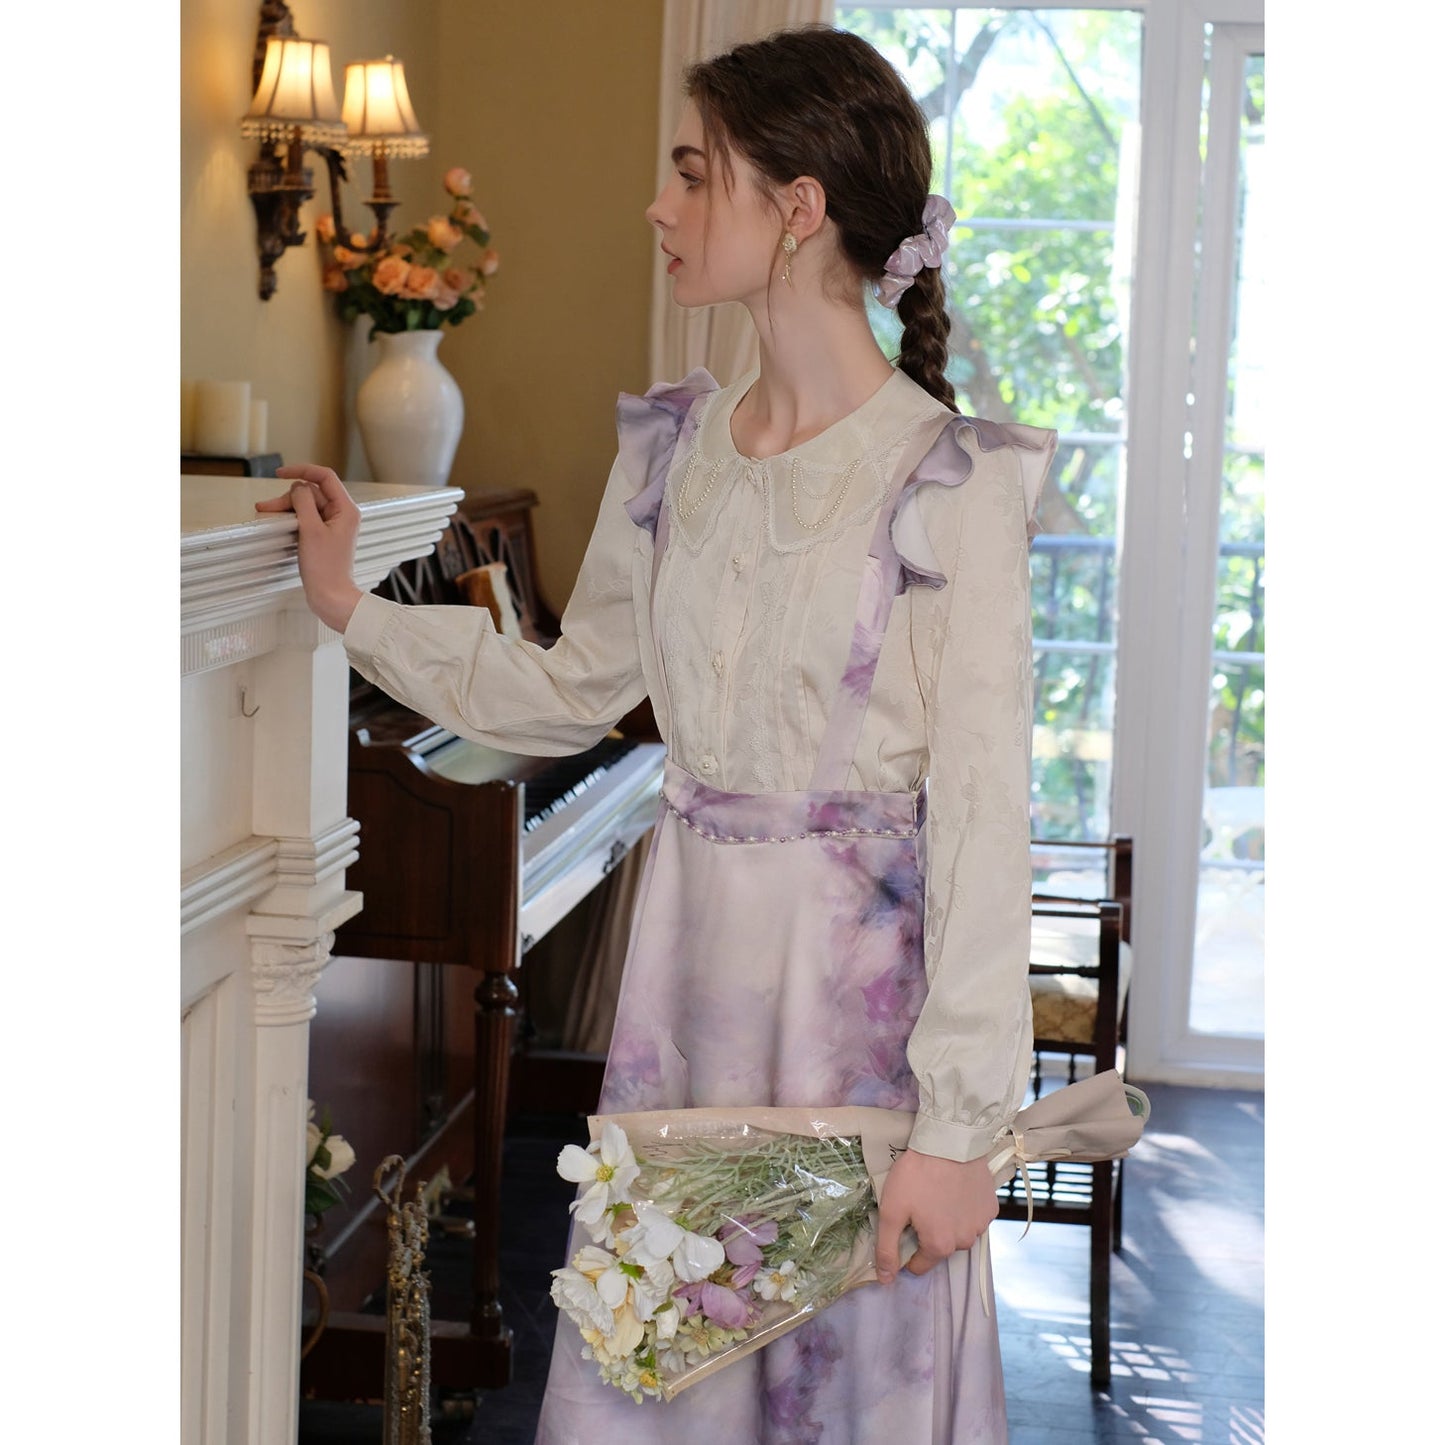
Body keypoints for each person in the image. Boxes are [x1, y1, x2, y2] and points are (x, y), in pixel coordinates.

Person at [260, 25, 1054, 1443]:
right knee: (662, 1372)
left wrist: (958, 1132)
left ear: (796, 206)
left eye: (694, 174)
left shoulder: (953, 484)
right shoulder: (676, 449)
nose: (658, 205)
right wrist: (350, 609)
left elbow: (989, 823)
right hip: (683, 998)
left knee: (831, 1395)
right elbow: (571, 689)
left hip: (855, 1034)